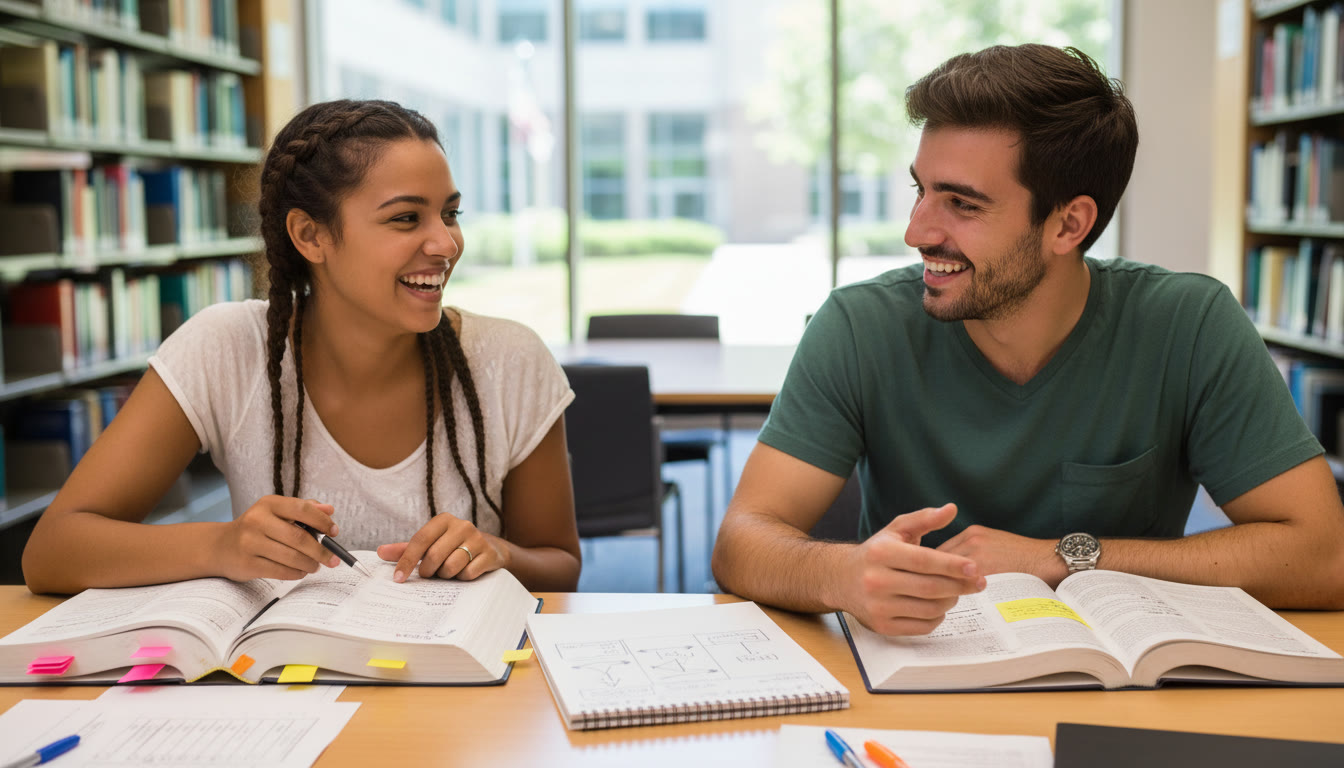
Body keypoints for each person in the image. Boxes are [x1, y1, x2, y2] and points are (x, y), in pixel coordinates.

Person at [711, 44, 1344, 636]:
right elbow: (741, 541)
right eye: (921, 190)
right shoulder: (858, 325)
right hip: (917, 680)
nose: (916, 232)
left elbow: (1323, 556)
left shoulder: (1189, 323)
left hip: (1126, 689)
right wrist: (841, 575)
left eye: (962, 204)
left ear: (1069, 223)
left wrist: (1060, 558)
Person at [23, 99, 581, 595]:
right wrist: (223, 546)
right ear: (311, 236)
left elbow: (561, 566)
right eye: (406, 218)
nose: (446, 243)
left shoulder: (511, 360)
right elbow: (52, 552)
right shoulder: (227, 348)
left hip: (469, 692)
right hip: (287, 693)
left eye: (450, 214)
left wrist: (498, 552)